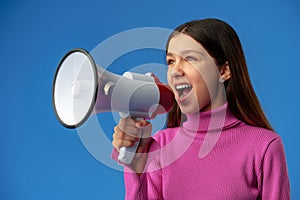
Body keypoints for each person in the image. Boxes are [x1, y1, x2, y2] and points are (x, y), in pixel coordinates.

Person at [111, 18, 290, 199]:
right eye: (171, 61)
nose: (175, 70)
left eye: (190, 58)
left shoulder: (264, 146)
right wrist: (135, 168)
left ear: (223, 71)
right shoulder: (160, 146)